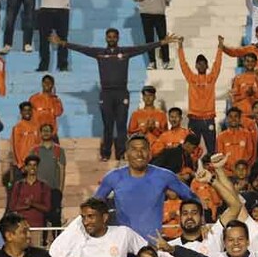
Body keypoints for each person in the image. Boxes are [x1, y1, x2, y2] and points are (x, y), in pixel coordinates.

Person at [51, 30, 179, 161]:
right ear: (106, 38)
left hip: (121, 93)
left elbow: (143, 48)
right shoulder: (100, 53)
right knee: (108, 125)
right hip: (106, 94)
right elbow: (82, 49)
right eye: (109, 37)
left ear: (118, 38)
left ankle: (121, 153)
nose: (111, 39)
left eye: (114, 37)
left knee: (121, 125)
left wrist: (162, 42)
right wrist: (62, 43)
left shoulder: (125, 52)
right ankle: (105, 154)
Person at [93, 134, 198, 238]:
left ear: (149, 154)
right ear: (126, 154)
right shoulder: (113, 177)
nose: (139, 153)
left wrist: (200, 225)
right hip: (123, 246)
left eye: (143, 149)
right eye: (134, 149)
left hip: (152, 246)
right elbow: (93, 206)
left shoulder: (165, 176)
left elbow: (193, 198)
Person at [177, 37, 222, 152]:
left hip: (208, 119)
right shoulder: (191, 78)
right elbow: (183, 65)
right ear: (196, 66)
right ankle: (190, 169)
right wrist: (180, 47)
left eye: (204, 64)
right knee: (191, 150)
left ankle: (213, 170)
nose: (201, 66)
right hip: (194, 119)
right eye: (199, 64)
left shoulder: (211, 78)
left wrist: (220, 47)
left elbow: (217, 64)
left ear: (207, 66)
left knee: (212, 149)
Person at [132, 0, 172, 70]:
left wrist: (167, 0)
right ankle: (152, 62)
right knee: (149, 39)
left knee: (162, 37)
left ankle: (166, 61)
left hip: (159, 13)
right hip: (145, 14)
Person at [35, 0, 72, 72]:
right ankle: (43, 65)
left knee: (63, 39)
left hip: (63, 9)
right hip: (45, 9)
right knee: (44, 40)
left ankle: (63, 65)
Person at [27, 123, 64, 231]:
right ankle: (41, 242)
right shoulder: (35, 150)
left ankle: (57, 242)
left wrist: (60, 189)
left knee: (56, 218)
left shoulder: (59, 150)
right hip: (39, 190)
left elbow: (62, 170)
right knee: (41, 217)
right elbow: (30, 169)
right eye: (44, 131)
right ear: (40, 133)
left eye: (48, 131)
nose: (46, 133)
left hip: (54, 189)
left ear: (52, 133)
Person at [6, 155, 51, 228]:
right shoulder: (18, 185)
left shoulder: (44, 186)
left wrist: (32, 204)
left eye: (34, 165)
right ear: (26, 167)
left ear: (37, 167)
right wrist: (27, 205)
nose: (32, 168)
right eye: (30, 165)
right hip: (21, 227)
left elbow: (47, 208)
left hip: (37, 226)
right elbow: (12, 206)